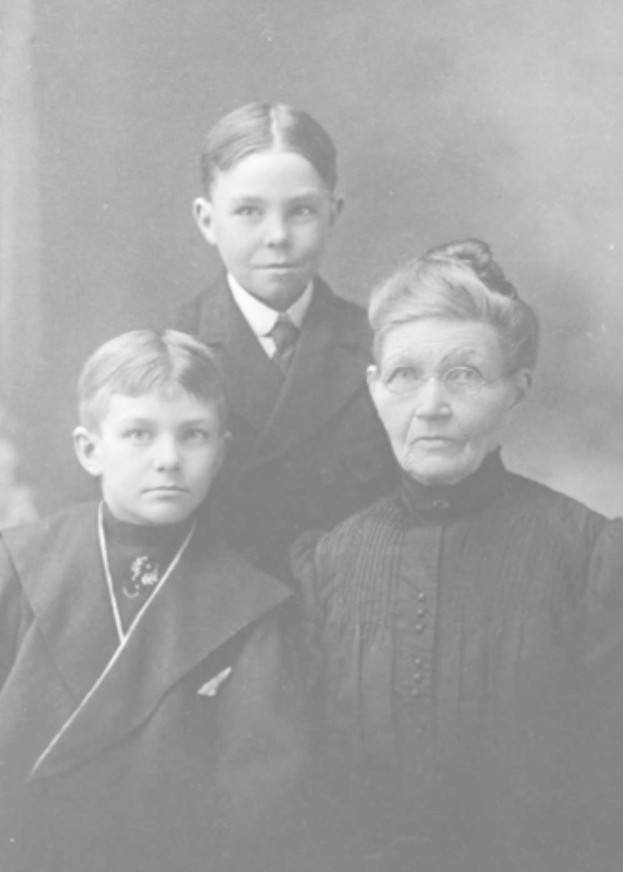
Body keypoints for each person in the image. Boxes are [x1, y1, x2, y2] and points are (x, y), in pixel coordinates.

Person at [292, 240, 623, 872]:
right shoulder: (326, 566)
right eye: (405, 375)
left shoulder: (590, 558)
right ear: (374, 387)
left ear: (514, 389)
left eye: (464, 375)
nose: (431, 406)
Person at [0, 329, 314, 872]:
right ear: (90, 450)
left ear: (220, 454)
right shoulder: (18, 564)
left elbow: (258, 804)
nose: (169, 458)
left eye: (194, 435)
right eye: (140, 434)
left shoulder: (250, 604)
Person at [168, 102, 397, 577]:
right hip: (225, 623)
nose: (278, 236)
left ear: (333, 213)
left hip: (351, 621)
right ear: (207, 221)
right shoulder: (170, 352)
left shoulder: (382, 345)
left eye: (302, 211)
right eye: (249, 211)